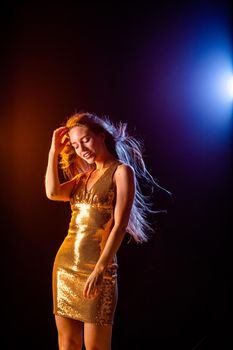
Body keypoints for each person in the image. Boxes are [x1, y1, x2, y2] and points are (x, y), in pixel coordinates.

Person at [45, 111, 170, 350]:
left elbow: (120, 225)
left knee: (96, 347)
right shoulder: (83, 177)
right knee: (68, 342)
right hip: (65, 264)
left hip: (98, 268)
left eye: (86, 140)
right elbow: (52, 193)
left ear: (101, 136)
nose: (81, 148)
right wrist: (53, 150)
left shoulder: (122, 172)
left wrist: (100, 268)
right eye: (74, 144)